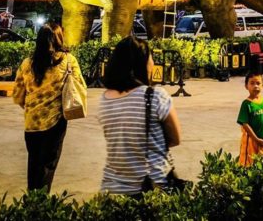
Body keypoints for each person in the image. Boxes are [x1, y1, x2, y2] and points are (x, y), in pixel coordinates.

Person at [97, 37, 182, 195]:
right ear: (141, 64)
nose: (153, 63)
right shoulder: (155, 95)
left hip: (113, 189)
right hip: (152, 188)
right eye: (150, 58)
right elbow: (175, 139)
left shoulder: (104, 99)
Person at [12, 21, 86, 191]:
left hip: (31, 124)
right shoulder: (68, 61)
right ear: (60, 38)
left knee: (34, 164)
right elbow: (80, 86)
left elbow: (17, 95)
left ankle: (31, 202)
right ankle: (41, 206)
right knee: (48, 166)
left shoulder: (27, 64)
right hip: (56, 122)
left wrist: (33, 106)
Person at [238, 72, 263, 166]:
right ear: (246, 86)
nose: (255, 86)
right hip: (251, 140)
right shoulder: (246, 104)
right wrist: (256, 139)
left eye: (258, 83)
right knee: (249, 164)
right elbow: (245, 124)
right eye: (252, 83)